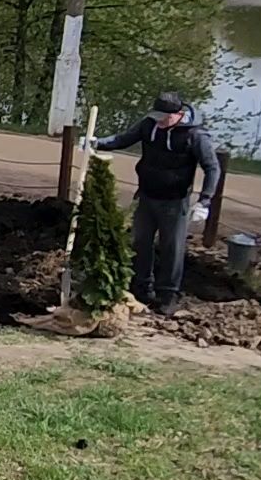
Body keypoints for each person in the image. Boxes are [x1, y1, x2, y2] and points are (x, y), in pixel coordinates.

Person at [88, 92, 222, 316]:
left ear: (178, 115)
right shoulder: (149, 125)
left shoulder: (195, 135)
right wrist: (97, 143)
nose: (159, 121)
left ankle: (168, 296)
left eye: (164, 117)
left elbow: (212, 168)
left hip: (175, 201)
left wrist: (204, 201)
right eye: (157, 116)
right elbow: (123, 139)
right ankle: (141, 289)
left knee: (172, 248)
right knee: (140, 242)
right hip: (147, 196)